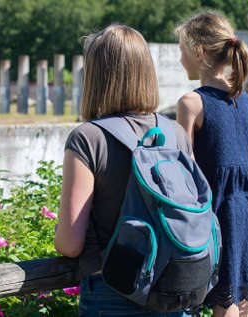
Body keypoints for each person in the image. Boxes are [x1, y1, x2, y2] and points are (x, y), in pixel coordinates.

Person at [54, 24, 192, 317]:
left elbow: (69, 244)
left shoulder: (88, 137)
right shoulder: (176, 133)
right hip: (171, 290)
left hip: (112, 293)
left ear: (95, 76)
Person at [175, 12, 248, 317]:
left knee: (223, 303)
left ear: (199, 53)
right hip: (245, 208)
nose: (179, 59)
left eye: (181, 51)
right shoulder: (243, 99)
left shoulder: (191, 103)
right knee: (240, 300)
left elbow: (184, 169)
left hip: (214, 212)